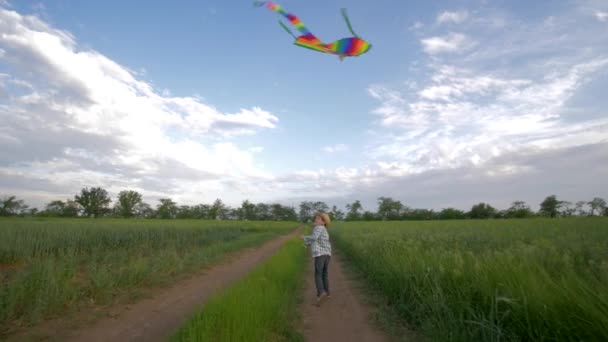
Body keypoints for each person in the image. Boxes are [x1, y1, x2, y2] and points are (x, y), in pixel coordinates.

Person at [302, 212, 332, 306]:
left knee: (318, 274)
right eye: (316, 218)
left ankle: (321, 293)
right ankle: (327, 293)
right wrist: (307, 243)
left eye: (318, 219)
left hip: (320, 254)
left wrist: (304, 237)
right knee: (324, 273)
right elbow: (316, 240)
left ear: (324, 222)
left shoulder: (318, 227)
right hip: (327, 254)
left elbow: (314, 238)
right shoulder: (323, 229)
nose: (316, 220)